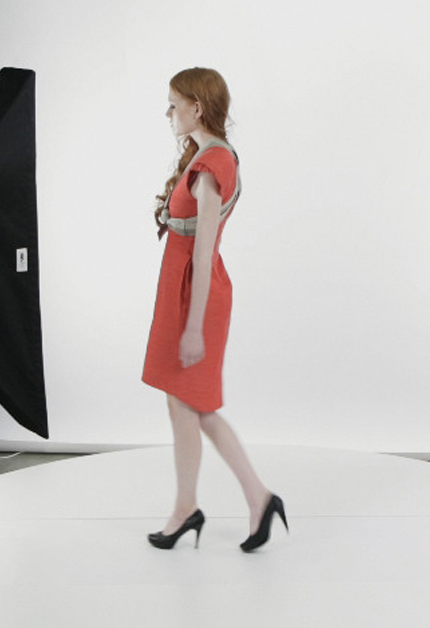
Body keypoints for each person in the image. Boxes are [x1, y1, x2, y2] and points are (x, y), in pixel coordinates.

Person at [142, 68, 286, 552]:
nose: (168, 114)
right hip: (181, 288)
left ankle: (237, 501)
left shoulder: (213, 163)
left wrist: (194, 327)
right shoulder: (203, 156)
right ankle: (218, 503)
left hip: (195, 293)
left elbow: (203, 252)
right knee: (184, 404)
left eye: (172, 104)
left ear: (195, 108)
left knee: (193, 404)